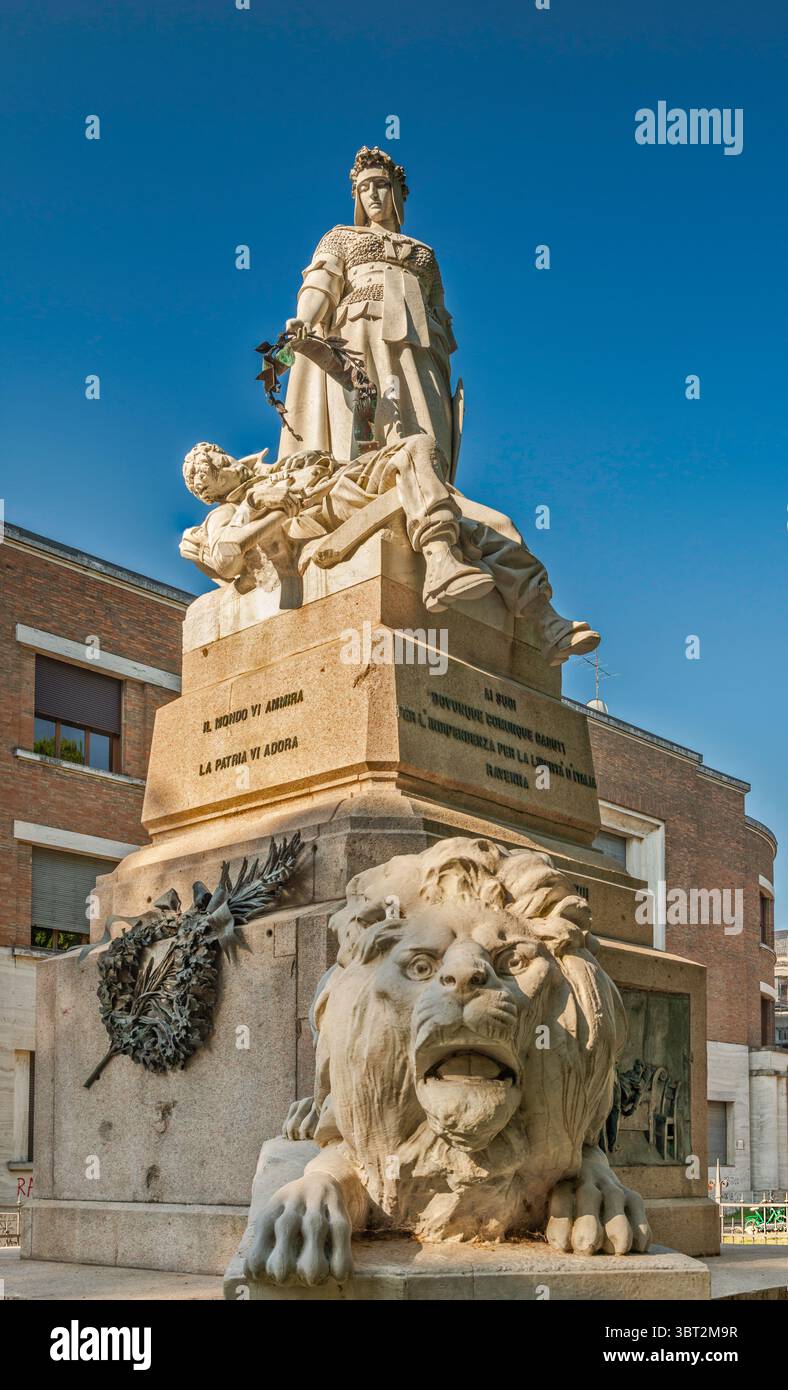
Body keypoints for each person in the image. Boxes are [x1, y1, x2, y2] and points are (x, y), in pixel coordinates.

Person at [278, 146, 458, 465]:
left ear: (398, 193)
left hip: (417, 344)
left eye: (380, 185)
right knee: (363, 418)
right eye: (363, 188)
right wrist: (305, 318)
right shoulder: (342, 237)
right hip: (357, 332)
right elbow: (322, 280)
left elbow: (441, 316)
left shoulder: (425, 255)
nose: (372, 194)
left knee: (423, 430)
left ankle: (424, 486)